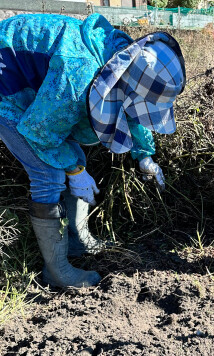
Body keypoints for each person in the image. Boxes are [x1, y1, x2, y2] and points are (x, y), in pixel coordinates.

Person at [0, 13, 186, 288]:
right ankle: (57, 271)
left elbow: (133, 105)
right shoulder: (77, 76)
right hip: (6, 88)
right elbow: (40, 132)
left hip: (37, 82)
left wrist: (144, 155)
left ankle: (77, 241)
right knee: (48, 173)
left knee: (74, 158)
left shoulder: (124, 57)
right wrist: (75, 171)